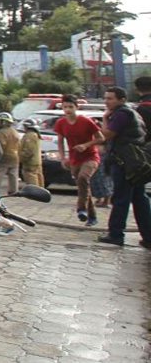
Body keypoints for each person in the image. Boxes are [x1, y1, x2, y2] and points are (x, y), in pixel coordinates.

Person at [86, 87, 151, 248]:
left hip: (124, 162)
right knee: (139, 199)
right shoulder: (131, 112)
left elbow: (106, 135)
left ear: (121, 100)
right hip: (133, 162)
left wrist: (105, 118)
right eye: (105, 98)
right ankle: (148, 236)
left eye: (110, 98)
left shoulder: (122, 114)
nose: (106, 101)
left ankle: (115, 234)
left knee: (122, 198)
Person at [53, 95, 103, 225]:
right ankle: (92, 216)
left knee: (83, 177)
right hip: (74, 159)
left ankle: (81, 208)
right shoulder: (61, 123)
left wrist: (86, 145)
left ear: (77, 107)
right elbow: (60, 141)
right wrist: (63, 158)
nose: (68, 110)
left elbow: (101, 138)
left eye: (70, 107)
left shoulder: (86, 121)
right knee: (83, 186)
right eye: (65, 107)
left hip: (90, 156)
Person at [0, 112, 22, 196]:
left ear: (4, 122)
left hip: (5, 156)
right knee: (13, 174)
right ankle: (14, 191)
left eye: (0, 121)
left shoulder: (2, 132)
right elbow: (19, 145)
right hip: (15, 156)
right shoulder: (14, 131)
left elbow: (1, 145)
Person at [18, 117, 44, 188]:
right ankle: (41, 191)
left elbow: (28, 151)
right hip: (35, 161)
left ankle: (35, 192)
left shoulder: (29, 136)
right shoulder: (35, 135)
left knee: (31, 179)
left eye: (24, 126)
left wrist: (21, 159)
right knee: (39, 177)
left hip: (30, 163)